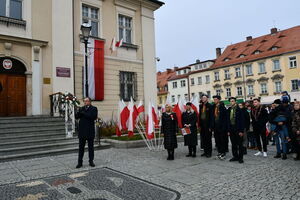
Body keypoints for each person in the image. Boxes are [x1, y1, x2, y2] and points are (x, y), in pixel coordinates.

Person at [75, 97, 98, 168]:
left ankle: (91, 161)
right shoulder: (81, 108)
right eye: (84, 101)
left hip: (90, 131)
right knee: (81, 148)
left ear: (90, 102)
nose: (85, 102)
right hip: (82, 131)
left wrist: (83, 113)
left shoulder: (94, 108)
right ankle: (80, 162)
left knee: (91, 148)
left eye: (87, 101)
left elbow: (92, 117)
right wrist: (78, 112)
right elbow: (77, 117)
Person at [227, 97, 245, 163]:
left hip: (238, 129)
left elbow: (242, 121)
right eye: (230, 101)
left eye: (232, 101)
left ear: (235, 102)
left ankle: (240, 158)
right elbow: (228, 121)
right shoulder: (229, 109)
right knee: (233, 144)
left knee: (240, 144)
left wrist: (241, 131)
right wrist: (228, 130)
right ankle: (235, 156)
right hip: (231, 129)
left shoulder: (239, 110)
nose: (231, 102)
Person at [211, 95, 228, 160]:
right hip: (215, 126)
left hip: (222, 127)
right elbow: (212, 117)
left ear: (219, 100)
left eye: (215, 99)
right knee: (217, 140)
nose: (214, 100)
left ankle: (223, 153)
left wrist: (224, 127)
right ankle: (219, 152)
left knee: (222, 140)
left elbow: (225, 118)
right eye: (214, 99)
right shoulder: (213, 107)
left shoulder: (222, 107)